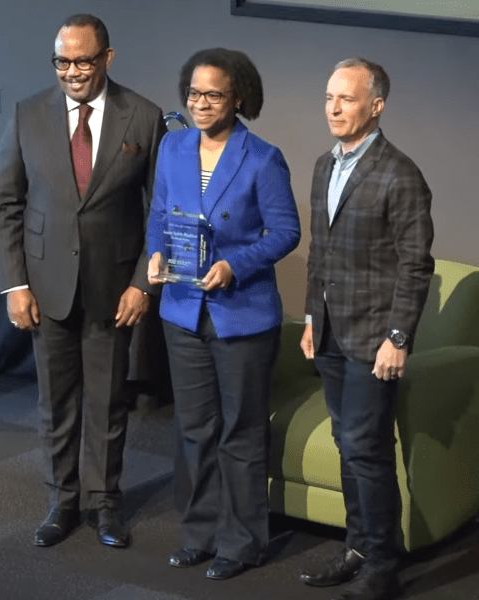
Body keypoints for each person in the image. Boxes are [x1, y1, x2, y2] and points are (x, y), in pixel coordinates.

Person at [0, 13, 166, 549]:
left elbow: (160, 209)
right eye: (62, 61)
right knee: (57, 403)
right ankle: (62, 502)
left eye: (82, 61)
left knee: (109, 403)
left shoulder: (144, 116)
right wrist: (14, 285)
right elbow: (4, 203)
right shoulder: (26, 115)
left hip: (115, 292)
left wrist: (143, 284)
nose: (72, 72)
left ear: (107, 59)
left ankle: (104, 505)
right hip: (46, 289)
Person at [146, 48, 300, 580]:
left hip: (242, 315)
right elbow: (160, 214)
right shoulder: (172, 146)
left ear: (238, 97)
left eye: (213, 94)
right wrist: (156, 252)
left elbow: (285, 233)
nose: (201, 104)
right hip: (183, 310)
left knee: (240, 430)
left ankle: (242, 542)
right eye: (193, 94)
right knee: (194, 430)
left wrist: (236, 264)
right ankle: (200, 534)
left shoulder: (263, 158)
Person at [298, 58, 434, 600]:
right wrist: (311, 318)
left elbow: (414, 264)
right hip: (330, 332)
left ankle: (382, 565)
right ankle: (355, 547)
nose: (333, 107)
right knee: (347, 442)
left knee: (366, 448)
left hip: (375, 338)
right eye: (329, 96)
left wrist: (398, 338)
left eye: (346, 99)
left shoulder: (400, 174)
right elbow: (319, 255)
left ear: (375, 106)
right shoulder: (322, 166)